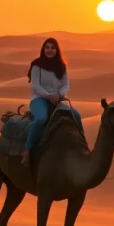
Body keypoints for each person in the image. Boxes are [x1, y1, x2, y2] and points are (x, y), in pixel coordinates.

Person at [21, 37, 84, 166]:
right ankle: (27, 149)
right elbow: (35, 86)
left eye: (53, 48)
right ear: (43, 49)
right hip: (39, 98)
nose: (49, 50)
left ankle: (83, 146)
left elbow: (65, 85)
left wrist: (60, 95)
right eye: (47, 47)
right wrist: (49, 96)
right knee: (41, 119)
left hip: (58, 100)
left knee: (76, 115)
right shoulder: (37, 65)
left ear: (57, 50)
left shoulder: (61, 66)